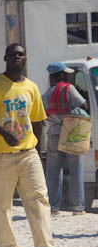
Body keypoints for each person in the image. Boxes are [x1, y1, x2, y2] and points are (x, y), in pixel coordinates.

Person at [0, 43, 60, 247]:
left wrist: (39, 152)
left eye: (21, 55)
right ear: (5, 58)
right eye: (13, 55)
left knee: (39, 199)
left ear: (26, 59)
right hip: (1, 155)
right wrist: (4, 133)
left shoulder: (31, 87)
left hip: (28, 153)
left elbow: (37, 122)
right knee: (2, 204)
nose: (17, 58)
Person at [42, 62, 88, 216]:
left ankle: (54, 208)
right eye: (66, 74)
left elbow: (40, 116)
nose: (67, 76)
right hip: (70, 133)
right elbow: (85, 105)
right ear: (61, 75)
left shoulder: (47, 94)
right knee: (75, 169)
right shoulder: (69, 89)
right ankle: (77, 208)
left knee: (53, 171)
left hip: (53, 133)